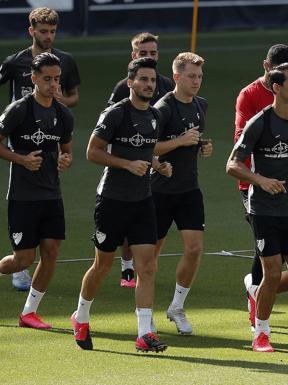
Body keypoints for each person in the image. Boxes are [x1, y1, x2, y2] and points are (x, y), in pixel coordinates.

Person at [71, 57, 170, 353]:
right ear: (130, 83)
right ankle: (82, 318)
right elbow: (92, 152)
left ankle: (143, 333)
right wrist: (127, 165)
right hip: (112, 200)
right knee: (102, 266)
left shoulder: (155, 116)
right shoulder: (115, 114)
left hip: (142, 201)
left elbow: (143, 150)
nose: (149, 85)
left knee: (148, 266)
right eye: (143, 79)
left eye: (152, 80)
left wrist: (157, 165)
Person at [227, 62, 288, 352]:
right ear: (277, 88)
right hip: (263, 210)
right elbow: (232, 165)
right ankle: (261, 333)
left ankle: (258, 293)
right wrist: (260, 180)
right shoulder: (260, 122)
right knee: (272, 272)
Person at [0, 52, 74, 330]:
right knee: (23, 259)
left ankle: (29, 312)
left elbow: (66, 150)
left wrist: (66, 160)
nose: (53, 84)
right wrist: (21, 160)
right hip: (23, 195)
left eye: (56, 79)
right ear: (33, 79)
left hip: (52, 194)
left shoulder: (64, 114)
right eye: (47, 79)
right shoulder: (20, 109)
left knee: (52, 252)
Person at [0, 7, 80, 291]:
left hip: (50, 128)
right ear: (32, 31)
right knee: (24, 189)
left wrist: (59, 99)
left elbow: (73, 97)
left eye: (52, 31)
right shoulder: (16, 62)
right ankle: (21, 261)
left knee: (46, 186)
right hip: (21, 134)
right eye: (43, 31)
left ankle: (30, 259)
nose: (48, 36)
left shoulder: (63, 61)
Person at [106, 32, 175, 289]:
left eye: (153, 53)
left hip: (160, 159)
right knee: (129, 219)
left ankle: (145, 266)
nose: (149, 57)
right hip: (131, 162)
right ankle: (126, 266)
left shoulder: (166, 85)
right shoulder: (123, 88)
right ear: (134, 56)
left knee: (158, 216)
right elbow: (108, 125)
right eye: (143, 53)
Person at [150, 52, 212, 336]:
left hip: (189, 189)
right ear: (177, 77)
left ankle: (176, 306)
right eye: (191, 76)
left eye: (199, 76)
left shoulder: (201, 105)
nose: (196, 81)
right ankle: (145, 312)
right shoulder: (163, 108)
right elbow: (150, 147)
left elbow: (194, 140)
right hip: (160, 191)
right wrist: (179, 141)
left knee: (195, 248)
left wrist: (202, 147)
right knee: (150, 254)